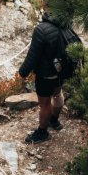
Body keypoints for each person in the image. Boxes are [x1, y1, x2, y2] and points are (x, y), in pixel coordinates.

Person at [18, 10, 66, 144]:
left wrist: (22, 72)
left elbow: (32, 56)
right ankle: (54, 121)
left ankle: (42, 132)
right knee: (58, 94)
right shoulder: (66, 25)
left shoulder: (41, 29)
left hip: (45, 74)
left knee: (44, 104)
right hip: (61, 70)